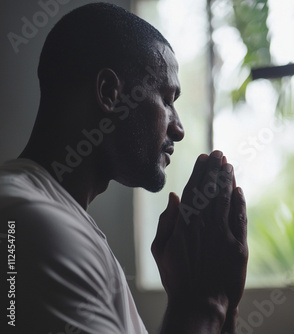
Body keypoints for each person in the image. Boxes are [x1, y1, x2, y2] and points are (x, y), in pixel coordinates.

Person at [0, 3, 248, 333]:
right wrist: (202, 301)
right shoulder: (28, 223)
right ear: (109, 93)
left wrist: (223, 303)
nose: (179, 128)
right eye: (167, 99)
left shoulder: (67, 224)